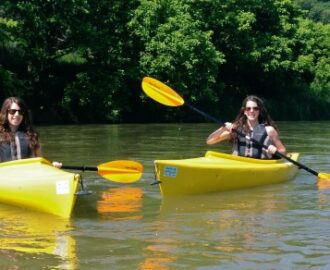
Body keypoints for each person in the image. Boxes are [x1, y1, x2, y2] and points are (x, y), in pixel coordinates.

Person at [206, 95, 287, 159]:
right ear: (244, 111)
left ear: (259, 111)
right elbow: (209, 141)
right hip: (239, 165)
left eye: (255, 108)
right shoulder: (235, 129)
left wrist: (275, 151)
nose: (251, 111)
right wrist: (222, 128)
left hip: (261, 165)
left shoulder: (269, 130)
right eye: (248, 108)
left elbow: (284, 152)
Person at [0, 97, 62, 167]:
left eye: (20, 112)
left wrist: (51, 164)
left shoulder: (32, 136)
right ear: (6, 113)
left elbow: (40, 160)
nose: (17, 114)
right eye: (12, 111)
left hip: (27, 175)